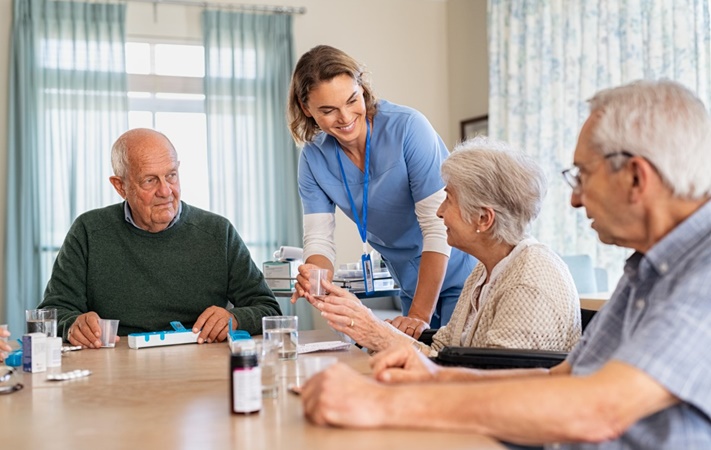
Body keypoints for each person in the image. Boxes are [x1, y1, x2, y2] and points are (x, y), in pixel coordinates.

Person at [301, 79, 711, 448]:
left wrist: (385, 404)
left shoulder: (702, 273)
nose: (574, 199)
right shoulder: (648, 267)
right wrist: (437, 378)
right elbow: (565, 378)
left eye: (582, 175)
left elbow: (597, 409)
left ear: (636, 178)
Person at [306, 137, 580, 354]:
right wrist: (370, 329)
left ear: (483, 218)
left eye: (448, 199)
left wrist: (376, 332)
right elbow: (441, 351)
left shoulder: (527, 283)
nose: (439, 212)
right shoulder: (485, 272)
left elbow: (491, 386)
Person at [287, 44, 476, 336]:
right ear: (306, 108)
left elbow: (437, 229)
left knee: (453, 367)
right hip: (411, 284)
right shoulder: (313, 159)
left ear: (362, 88)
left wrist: (418, 317)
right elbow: (319, 241)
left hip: (461, 272)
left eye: (352, 100)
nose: (345, 117)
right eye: (328, 110)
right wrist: (315, 276)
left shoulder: (408, 129)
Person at [38, 128, 281, 349]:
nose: (165, 191)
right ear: (120, 186)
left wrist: (236, 318)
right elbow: (50, 313)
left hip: (198, 366)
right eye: (149, 180)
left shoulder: (218, 232)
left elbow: (269, 310)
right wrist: (72, 325)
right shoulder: (88, 231)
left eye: (171, 175)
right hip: (117, 366)